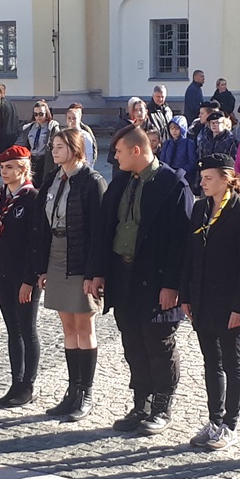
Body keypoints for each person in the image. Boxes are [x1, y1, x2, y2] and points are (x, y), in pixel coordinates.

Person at [98, 125, 191, 435]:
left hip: (156, 279)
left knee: (158, 342)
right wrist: (97, 273)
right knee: (132, 341)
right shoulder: (122, 182)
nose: (115, 157)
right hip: (124, 275)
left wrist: (172, 285)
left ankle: (162, 406)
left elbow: (182, 242)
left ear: (136, 150)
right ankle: (142, 403)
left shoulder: (172, 184)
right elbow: (106, 229)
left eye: (120, 152)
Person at [180, 152, 240, 449]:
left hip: (228, 301)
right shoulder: (200, 209)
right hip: (201, 298)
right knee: (211, 361)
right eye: (202, 178)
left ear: (227, 179)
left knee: (231, 361)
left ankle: (230, 424)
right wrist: (186, 294)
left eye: (209, 178)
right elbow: (189, 253)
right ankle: (214, 417)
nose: (203, 183)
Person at [40, 128, 109, 422]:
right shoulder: (53, 179)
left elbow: (99, 231)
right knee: (67, 326)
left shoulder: (91, 181)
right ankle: (71, 391)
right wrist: (41, 266)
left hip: (80, 256)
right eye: (52, 146)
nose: (54, 151)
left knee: (84, 326)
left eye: (59, 146)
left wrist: (93, 272)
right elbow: (42, 224)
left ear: (74, 148)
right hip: (56, 255)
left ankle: (86, 392)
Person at [0, 146, 47, 407]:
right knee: (12, 330)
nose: (4, 172)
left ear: (23, 169)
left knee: (27, 329)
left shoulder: (32, 199)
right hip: (3, 274)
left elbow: (37, 242)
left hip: (24, 277)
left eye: (10, 167)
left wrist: (30, 279)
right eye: (2, 167)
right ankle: (15, 381)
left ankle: (28, 385)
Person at [158, 118, 198, 190]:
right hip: (168, 175)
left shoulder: (189, 143)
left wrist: (181, 172)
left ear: (182, 128)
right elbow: (162, 160)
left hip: (183, 176)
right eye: (171, 128)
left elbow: (192, 161)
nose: (174, 131)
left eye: (177, 128)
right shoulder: (167, 143)